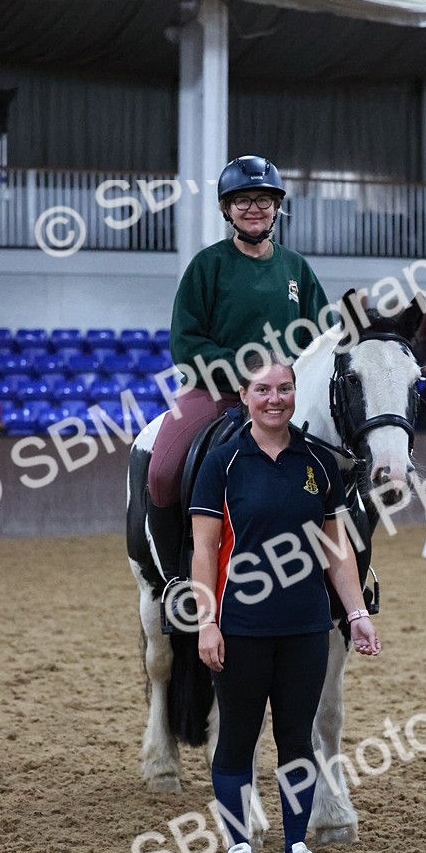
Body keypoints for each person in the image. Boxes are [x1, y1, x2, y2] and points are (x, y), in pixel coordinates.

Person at [189, 353, 381, 853]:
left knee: (298, 739)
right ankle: (239, 848)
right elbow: (204, 550)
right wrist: (207, 621)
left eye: (284, 389)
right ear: (246, 397)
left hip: (305, 629)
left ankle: (296, 846)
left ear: (296, 393)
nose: (275, 399)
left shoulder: (318, 464)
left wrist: (357, 613)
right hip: (241, 627)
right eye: (263, 389)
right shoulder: (222, 463)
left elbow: (337, 550)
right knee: (237, 741)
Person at [148, 154, 329, 588]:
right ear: (226, 209)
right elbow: (186, 342)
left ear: (276, 206)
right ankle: (174, 577)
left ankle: (348, 570)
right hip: (217, 393)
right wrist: (247, 373)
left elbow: (323, 338)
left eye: (264, 200)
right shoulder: (207, 266)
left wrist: (286, 380)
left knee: (339, 466)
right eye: (243, 200)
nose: (254, 208)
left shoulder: (296, 268)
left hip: (288, 397)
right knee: (162, 473)